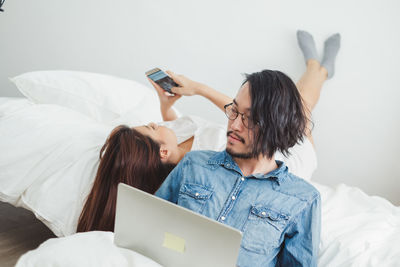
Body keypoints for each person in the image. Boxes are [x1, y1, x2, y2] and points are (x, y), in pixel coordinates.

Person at [77, 30, 341, 237]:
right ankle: (318, 67)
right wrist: (200, 89)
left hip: (262, 131)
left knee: (299, 99)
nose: (156, 123)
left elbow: (238, 115)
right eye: (151, 127)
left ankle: (317, 66)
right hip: (283, 149)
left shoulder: (173, 134)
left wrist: (166, 108)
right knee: (301, 103)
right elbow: (253, 117)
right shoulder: (208, 162)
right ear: (164, 152)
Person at [155, 31, 340, 267]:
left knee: (303, 107)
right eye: (233, 110)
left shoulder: (303, 198)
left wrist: (199, 88)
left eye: (250, 119)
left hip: (299, 154)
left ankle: (318, 67)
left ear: (274, 128)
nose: (233, 124)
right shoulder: (194, 164)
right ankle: (317, 67)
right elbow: (154, 228)